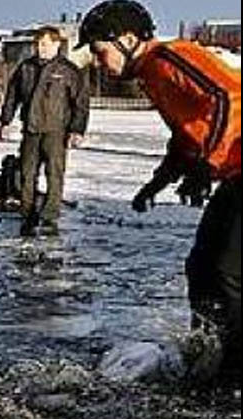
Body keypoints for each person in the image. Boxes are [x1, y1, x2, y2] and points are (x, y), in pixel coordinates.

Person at [79, 0, 240, 380]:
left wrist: (205, 165)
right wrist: (161, 179)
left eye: (101, 53)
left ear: (129, 39)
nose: (100, 63)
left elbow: (227, 98)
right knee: (201, 266)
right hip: (234, 173)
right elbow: (187, 133)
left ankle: (235, 369)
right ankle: (208, 351)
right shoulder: (152, 74)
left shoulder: (171, 55)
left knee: (230, 272)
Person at [0, 26, 90, 236]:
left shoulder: (69, 70)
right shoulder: (26, 68)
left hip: (56, 131)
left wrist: (77, 130)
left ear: (57, 45)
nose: (41, 48)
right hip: (30, 130)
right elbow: (12, 96)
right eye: (38, 44)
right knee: (26, 175)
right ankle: (27, 212)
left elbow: (81, 103)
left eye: (46, 44)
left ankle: (50, 216)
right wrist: (5, 120)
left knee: (54, 174)